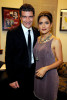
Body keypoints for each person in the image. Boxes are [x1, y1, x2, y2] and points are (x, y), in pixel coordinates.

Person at [5, 3, 40, 100]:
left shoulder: (37, 32)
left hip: (35, 73)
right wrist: (11, 79)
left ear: (33, 16)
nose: (28, 20)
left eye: (30, 17)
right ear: (20, 17)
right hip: (19, 75)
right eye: (24, 17)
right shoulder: (12, 33)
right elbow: (8, 57)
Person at [33, 11, 63, 100]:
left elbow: (60, 60)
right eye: (41, 23)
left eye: (46, 23)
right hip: (38, 76)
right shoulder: (38, 39)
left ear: (51, 25)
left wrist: (45, 68)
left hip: (50, 77)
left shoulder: (56, 40)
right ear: (38, 25)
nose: (43, 26)